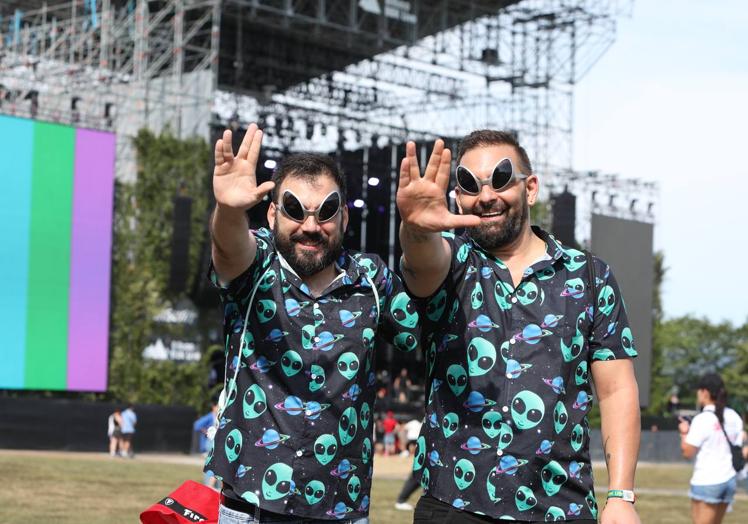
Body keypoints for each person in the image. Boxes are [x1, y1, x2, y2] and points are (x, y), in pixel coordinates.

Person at [396, 131, 642, 522]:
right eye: (470, 185)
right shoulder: (453, 263)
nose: (486, 195)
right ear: (457, 197)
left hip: (561, 507)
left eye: (500, 178)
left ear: (530, 189)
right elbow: (423, 261)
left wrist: (621, 495)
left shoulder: (590, 277)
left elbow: (616, 390)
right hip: (454, 506)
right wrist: (417, 229)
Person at [206, 124, 420, 523]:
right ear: (271, 213)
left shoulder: (372, 280)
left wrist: (422, 234)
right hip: (250, 506)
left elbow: (432, 331)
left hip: (341, 510)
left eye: (325, 212)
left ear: (343, 219)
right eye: (292, 209)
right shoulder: (256, 267)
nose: (309, 226)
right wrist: (230, 210)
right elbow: (229, 249)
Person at [678, 373, 744, 524]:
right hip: (729, 480)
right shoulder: (734, 416)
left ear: (705, 392)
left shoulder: (702, 419)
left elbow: (687, 452)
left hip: (707, 480)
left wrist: (684, 433)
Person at [194, 402, 221, 489]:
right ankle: (209, 487)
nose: (219, 408)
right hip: (210, 444)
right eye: (218, 406)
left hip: (216, 445)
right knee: (212, 466)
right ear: (213, 407)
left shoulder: (219, 416)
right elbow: (197, 425)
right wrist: (207, 432)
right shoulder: (211, 416)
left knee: (217, 466)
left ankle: (214, 487)